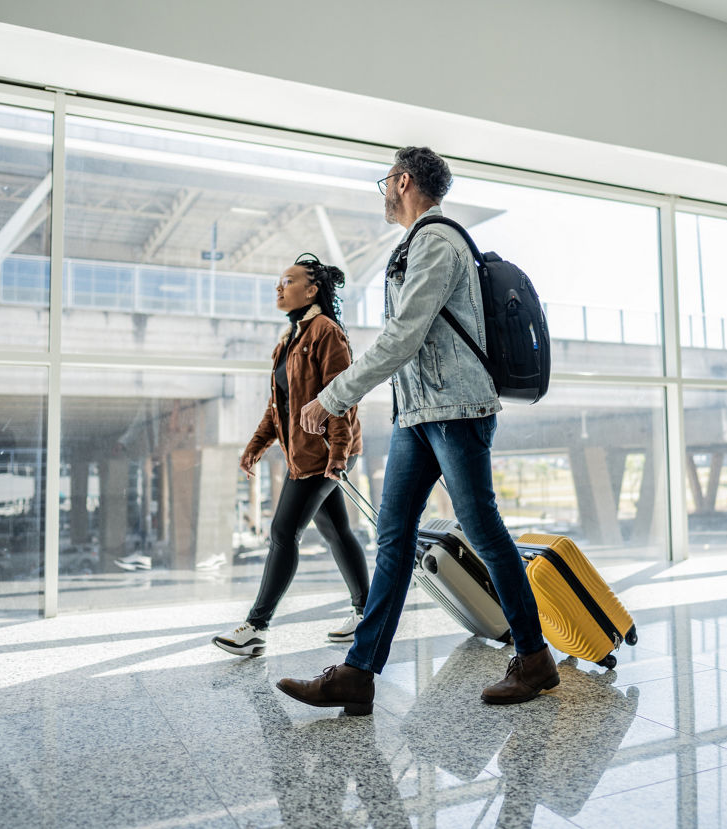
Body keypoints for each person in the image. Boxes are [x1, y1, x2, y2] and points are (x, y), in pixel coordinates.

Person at [276, 146, 558, 713]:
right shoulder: (417, 243)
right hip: (421, 416)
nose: (384, 191)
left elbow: (403, 336)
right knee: (393, 539)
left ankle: (534, 658)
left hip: (454, 412)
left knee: (482, 530)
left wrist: (331, 397)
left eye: (386, 181)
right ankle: (358, 673)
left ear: (402, 181)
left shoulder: (436, 242)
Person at [212, 255, 369, 656]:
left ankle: (256, 628)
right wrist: (254, 448)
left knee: (283, 533)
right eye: (278, 283)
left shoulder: (325, 332)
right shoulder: (290, 339)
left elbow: (340, 396)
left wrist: (337, 453)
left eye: (287, 281)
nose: (278, 288)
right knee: (336, 531)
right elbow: (276, 407)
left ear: (312, 289)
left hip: (325, 454)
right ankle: (367, 613)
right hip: (305, 454)